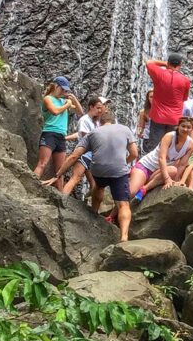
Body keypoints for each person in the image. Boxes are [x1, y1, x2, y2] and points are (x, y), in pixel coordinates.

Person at [45, 111, 138, 241]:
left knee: (98, 187)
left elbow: (74, 156)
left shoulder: (93, 133)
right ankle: (124, 236)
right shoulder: (125, 129)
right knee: (123, 204)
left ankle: (93, 213)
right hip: (119, 171)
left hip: (99, 170)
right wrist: (124, 162)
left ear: (100, 122)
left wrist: (58, 174)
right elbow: (134, 153)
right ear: (114, 121)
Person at [130, 116, 193, 202]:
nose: (185, 129)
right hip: (146, 166)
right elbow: (161, 158)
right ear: (178, 126)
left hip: (159, 172)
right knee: (131, 193)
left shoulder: (191, 144)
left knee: (173, 170)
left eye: (188, 127)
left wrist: (176, 181)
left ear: (192, 129)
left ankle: (144, 189)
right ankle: (112, 213)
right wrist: (167, 179)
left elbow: (182, 164)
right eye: (183, 126)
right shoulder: (169, 136)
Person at [33, 77, 83, 190]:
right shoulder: (48, 99)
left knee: (60, 170)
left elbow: (80, 112)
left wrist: (73, 98)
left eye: (66, 90)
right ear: (56, 86)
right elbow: (55, 111)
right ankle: (31, 186)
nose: (64, 92)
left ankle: (61, 197)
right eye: (62, 89)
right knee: (42, 163)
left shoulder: (63, 101)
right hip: (49, 133)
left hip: (61, 136)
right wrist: (67, 104)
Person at [63, 96, 110, 196]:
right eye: (99, 107)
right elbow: (85, 138)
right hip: (84, 153)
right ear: (91, 107)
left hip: (94, 155)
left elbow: (79, 134)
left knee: (95, 184)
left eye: (104, 106)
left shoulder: (98, 121)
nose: (102, 109)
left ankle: (93, 209)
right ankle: (61, 199)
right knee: (76, 178)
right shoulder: (85, 120)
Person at [145, 53, 190, 147]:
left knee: (155, 147)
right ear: (180, 65)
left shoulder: (159, 73)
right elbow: (184, 98)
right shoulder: (185, 80)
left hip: (158, 116)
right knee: (171, 147)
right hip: (175, 118)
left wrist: (165, 64)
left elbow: (149, 62)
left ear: (168, 63)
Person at [135, 89, 154, 154]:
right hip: (147, 139)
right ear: (148, 98)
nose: (153, 99)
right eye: (151, 97)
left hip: (159, 138)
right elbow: (140, 126)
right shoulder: (143, 112)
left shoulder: (162, 111)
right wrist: (139, 133)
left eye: (155, 97)